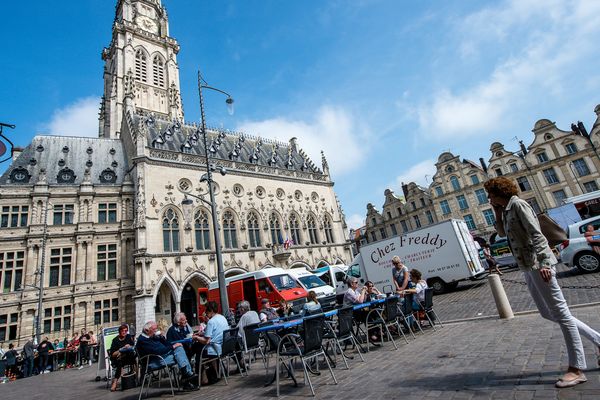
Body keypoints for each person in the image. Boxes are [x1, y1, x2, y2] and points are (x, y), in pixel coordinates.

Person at [485, 176, 600, 388]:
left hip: (539, 265)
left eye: (490, 193)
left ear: (499, 192)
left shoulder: (519, 204)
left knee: (562, 314)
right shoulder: (507, 209)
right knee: (547, 313)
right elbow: (501, 233)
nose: (488, 197)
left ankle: (577, 369)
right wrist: (497, 211)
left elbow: (537, 234)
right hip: (527, 266)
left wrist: (546, 263)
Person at [136, 320, 198, 391]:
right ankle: (187, 374)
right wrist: (173, 347)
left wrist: (162, 338)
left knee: (179, 351)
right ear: (147, 330)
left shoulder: (152, 336)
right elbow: (158, 351)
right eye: (154, 329)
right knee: (180, 352)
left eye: (156, 329)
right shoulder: (143, 340)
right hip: (153, 362)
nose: (156, 331)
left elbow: (167, 344)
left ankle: (186, 375)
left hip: (162, 357)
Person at [196, 301, 230, 385]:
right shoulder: (222, 317)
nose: (205, 313)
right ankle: (214, 373)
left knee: (197, 351)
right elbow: (216, 332)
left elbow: (206, 341)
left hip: (214, 349)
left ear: (211, 310)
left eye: (206, 311)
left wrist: (196, 337)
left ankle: (202, 378)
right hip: (224, 347)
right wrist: (203, 334)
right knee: (199, 349)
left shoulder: (211, 322)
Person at [234, 300, 260, 373]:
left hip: (247, 342)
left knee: (233, 344)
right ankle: (241, 364)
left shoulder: (244, 316)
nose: (239, 311)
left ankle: (241, 364)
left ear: (242, 309)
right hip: (256, 340)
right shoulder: (254, 313)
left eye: (239, 309)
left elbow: (238, 331)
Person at [109, 324, 136, 391]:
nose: (124, 332)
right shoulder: (115, 340)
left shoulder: (128, 337)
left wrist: (129, 346)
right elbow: (112, 354)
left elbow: (133, 346)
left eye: (126, 331)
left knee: (134, 356)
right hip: (118, 359)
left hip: (128, 357)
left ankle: (135, 377)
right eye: (122, 331)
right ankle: (115, 382)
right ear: (119, 331)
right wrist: (121, 350)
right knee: (119, 361)